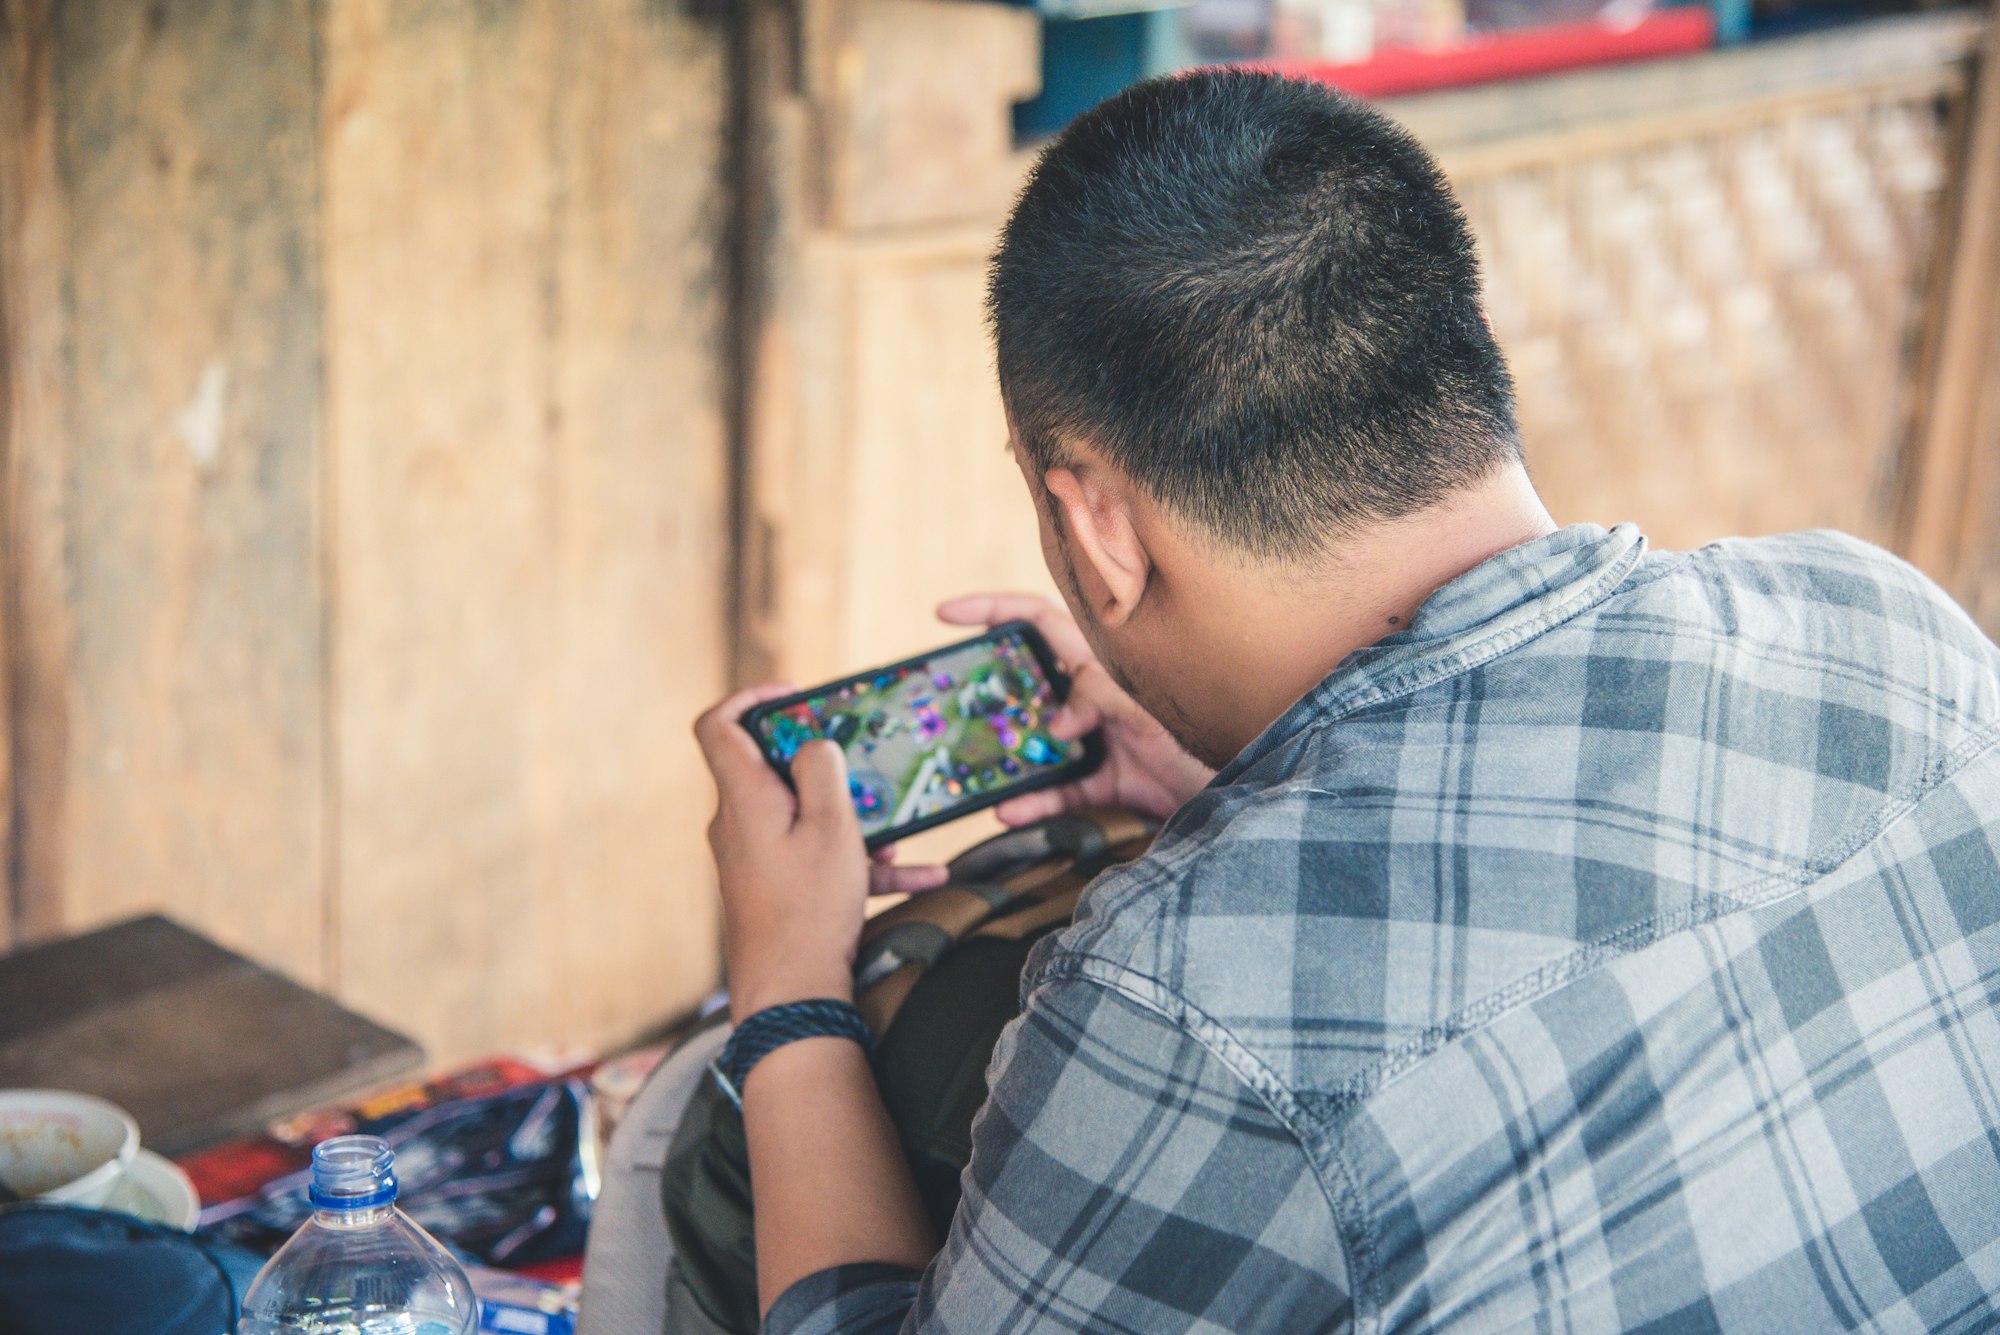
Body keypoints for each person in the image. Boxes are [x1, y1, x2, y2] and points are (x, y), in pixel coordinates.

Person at [692, 70, 2000, 1334]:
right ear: (1459, 363)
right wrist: (1240, 786)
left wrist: (787, 986)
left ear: (1095, 524)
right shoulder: (1879, 617)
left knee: (691, 1160)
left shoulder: (1182, 985)